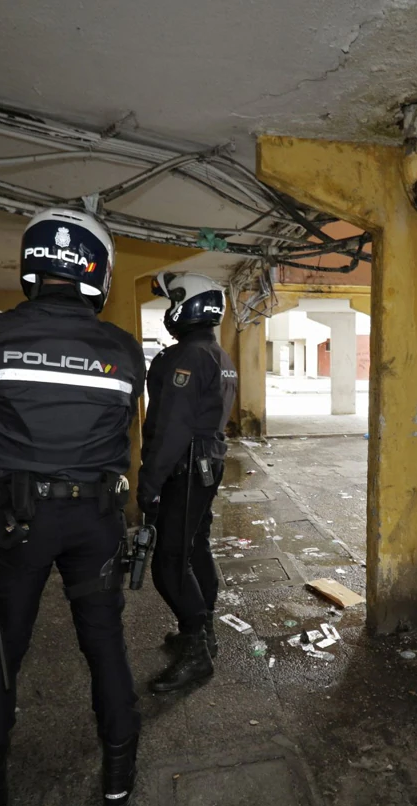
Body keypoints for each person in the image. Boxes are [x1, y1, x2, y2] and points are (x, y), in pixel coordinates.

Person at [0, 208, 146, 806]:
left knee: (0, 651)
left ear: (31, 266)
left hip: (15, 523)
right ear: (98, 272)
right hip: (95, 520)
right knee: (105, 643)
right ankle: (118, 780)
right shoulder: (121, 349)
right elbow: (126, 426)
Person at [138, 272, 237, 694]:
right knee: (195, 547)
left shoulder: (186, 358)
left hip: (184, 467)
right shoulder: (218, 354)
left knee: (168, 562)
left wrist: (149, 482)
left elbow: (172, 429)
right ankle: (203, 631)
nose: (167, 311)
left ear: (188, 305)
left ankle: (197, 651)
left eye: (170, 302)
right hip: (206, 466)